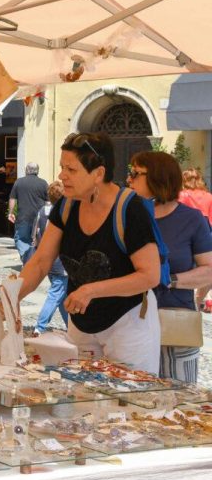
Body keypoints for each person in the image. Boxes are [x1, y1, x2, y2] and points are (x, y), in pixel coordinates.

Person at [19, 132, 161, 373]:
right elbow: (41, 261)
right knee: (81, 400)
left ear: (98, 173)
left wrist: (91, 290)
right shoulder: (66, 205)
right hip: (82, 324)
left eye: (71, 170)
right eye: (62, 167)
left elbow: (149, 276)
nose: (62, 175)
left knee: (127, 399)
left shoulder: (131, 209)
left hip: (128, 323)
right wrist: (10, 298)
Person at [128, 151, 212, 383]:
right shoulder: (128, 217)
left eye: (135, 173)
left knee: (179, 398)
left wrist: (169, 279)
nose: (129, 179)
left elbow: (209, 270)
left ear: (158, 177)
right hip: (130, 322)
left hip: (174, 320)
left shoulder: (192, 219)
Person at [32, 180, 69, 334]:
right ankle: (39, 327)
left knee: (61, 296)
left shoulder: (41, 211)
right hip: (61, 263)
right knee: (56, 295)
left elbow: (34, 235)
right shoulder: (65, 214)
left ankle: (71, 327)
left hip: (48, 261)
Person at [9, 162, 48, 264]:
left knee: (21, 239)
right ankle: (33, 260)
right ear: (37, 171)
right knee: (38, 240)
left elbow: (13, 199)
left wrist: (11, 213)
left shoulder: (19, 182)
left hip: (23, 217)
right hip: (39, 218)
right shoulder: (43, 183)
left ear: (26, 170)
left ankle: (27, 259)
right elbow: (48, 202)